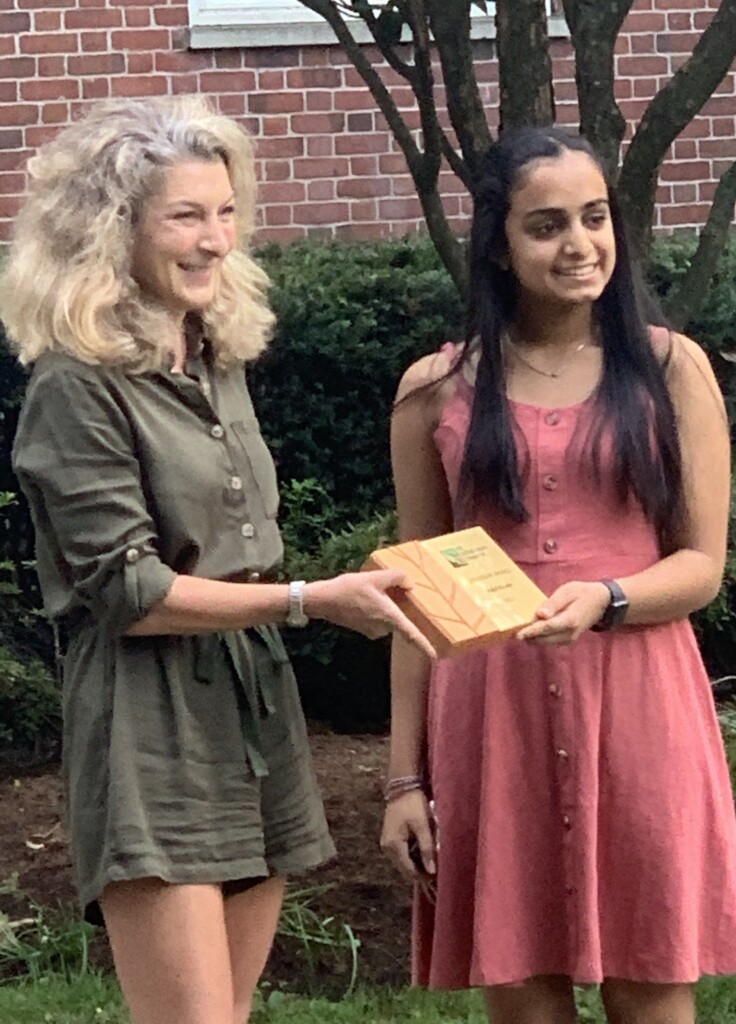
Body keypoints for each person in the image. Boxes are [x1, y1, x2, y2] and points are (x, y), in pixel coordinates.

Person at [1, 95, 434, 1024]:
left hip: (252, 702)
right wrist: (310, 599)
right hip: (143, 712)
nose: (214, 240)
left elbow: (242, 549)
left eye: (226, 211)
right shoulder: (73, 386)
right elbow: (130, 591)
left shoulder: (213, 359)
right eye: (186, 216)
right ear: (113, 234)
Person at [380, 125, 736, 1024]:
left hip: (639, 705)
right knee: (525, 995)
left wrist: (610, 599)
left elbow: (702, 564)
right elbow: (414, 594)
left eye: (595, 218)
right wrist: (405, 783)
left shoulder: (671, 370)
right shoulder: (434, 389)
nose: (579, 244)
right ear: (500, 246)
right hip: (491, 718)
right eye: (546, 226)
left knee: (652, 982)